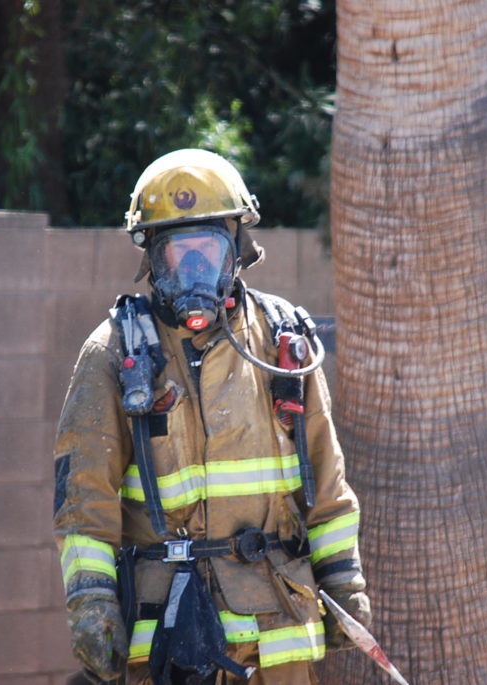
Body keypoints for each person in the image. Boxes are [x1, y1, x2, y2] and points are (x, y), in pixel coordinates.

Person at [52, 149, 370, 684]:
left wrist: (344, 583)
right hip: (172, 638)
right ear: (154, 257)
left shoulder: (283, 342)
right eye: (179, 251)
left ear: (236, 250)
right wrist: (92, 604)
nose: (194, 267)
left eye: (208, 249)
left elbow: (326, 479)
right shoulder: (114, 352)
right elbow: (84, 501)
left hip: (279, 637)